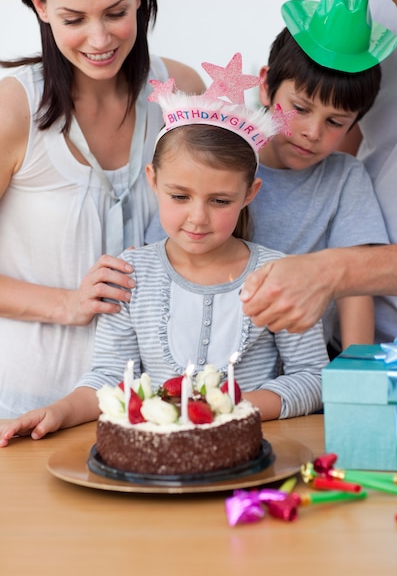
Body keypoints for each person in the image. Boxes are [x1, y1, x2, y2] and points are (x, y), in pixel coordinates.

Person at [0, 53, 330, 445]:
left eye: (220, 201)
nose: (197, 218)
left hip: (253, 458)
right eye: (180, 195)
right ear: (153, 181)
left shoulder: (280, 276)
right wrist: (58, 411)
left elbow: (313, 378)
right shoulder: (130, 275)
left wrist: (232, 406)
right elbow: (109, 378)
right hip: (157, 464)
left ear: (249, 193)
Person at [0, 0, 205, 419]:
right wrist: (66, 304)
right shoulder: (13, 111)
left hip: (155, 409)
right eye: (75, 19)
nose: (99, 39)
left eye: (116, 14)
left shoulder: (180, 92)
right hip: (25, 408)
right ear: (40, 4)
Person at [240, 0, 397, 341]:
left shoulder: (343, 181)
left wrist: (356, 380)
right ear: (265, 86)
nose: (311, 133)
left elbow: (355, 301)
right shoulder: (228, 165)